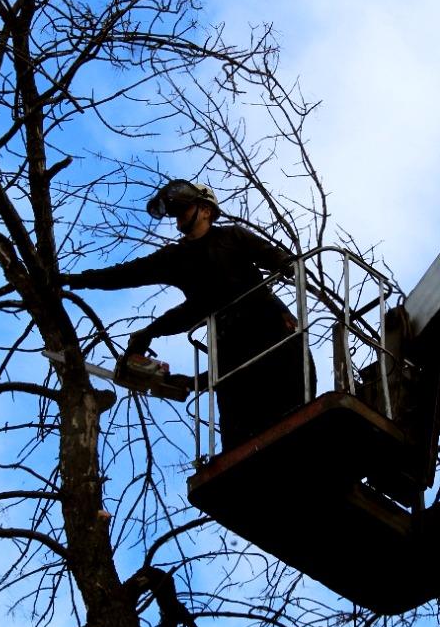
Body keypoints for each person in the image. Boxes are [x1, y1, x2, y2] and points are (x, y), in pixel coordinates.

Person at [64, 180, 313, 450]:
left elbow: (273, 255)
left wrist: (286, 264)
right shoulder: (176, 258)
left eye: (184, 209)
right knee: (240, 436)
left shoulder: (233, 237)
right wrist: (73, 280)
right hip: (230, 346)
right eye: (176, 212)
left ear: (206, 211)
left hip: (272, 335)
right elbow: (128, 274)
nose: (178, 217)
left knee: (295, 416)